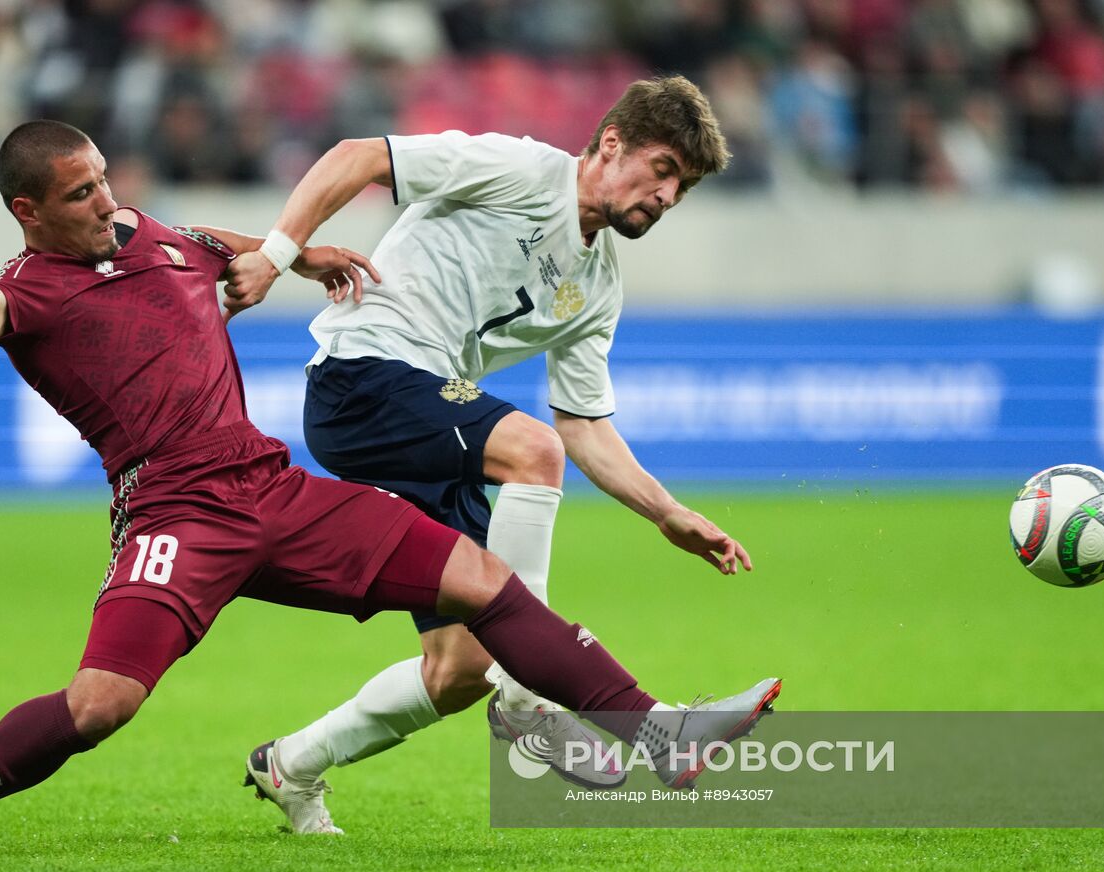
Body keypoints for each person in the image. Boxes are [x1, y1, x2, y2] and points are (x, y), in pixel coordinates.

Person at [0, 85, 779, 858]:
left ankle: (657, 735)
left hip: (271, 488)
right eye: (81, 196)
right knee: (101, 703)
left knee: (482, 599)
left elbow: (214, 249)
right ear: (29, 212)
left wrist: (298, 253)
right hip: (173, 514)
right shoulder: (20, 295)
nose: (107, 202)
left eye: (106, 181)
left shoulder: (152, 236)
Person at [219, 76, 770, 834]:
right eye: (664, 169)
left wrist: (666, 512)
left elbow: (583, 424)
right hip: (363, 379)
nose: (669, 196)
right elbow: (356, 156)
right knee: (529, 451)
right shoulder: (516, 169)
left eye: (685, 186)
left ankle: (291, 765)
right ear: (611, 144)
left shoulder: (600, 281)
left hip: (431, 417)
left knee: (458, 668)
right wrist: (277, 256)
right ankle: (534, 695)